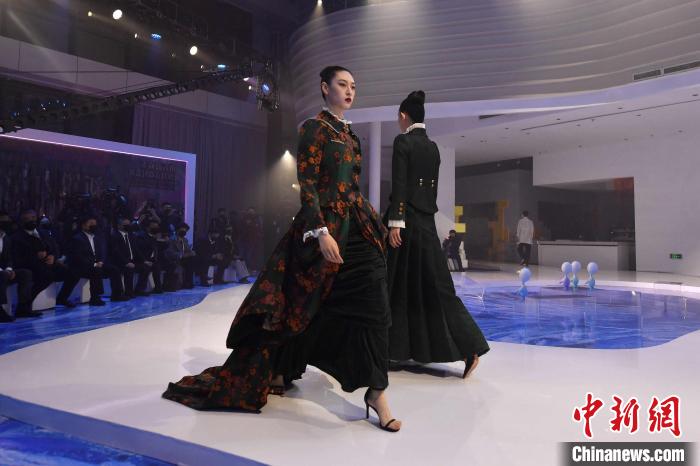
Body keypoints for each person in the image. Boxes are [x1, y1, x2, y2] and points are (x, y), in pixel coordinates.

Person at [163, 66, 401, 432]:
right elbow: (308, 184)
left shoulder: (351, 134)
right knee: (298, 303)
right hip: (323, 228)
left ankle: (376, 391)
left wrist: (373, 223)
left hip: (356, 225)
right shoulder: (315, 128)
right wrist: (321, 232)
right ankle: (278, 366)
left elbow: (352, 187)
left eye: (353, 85)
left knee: (374, 301)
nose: (350, 90)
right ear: (325, 88)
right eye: (342, 84)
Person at [385, 90, 489, 378]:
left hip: (406, 224)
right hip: (426, 223)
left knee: (394, 284)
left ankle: (393, 349)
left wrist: (396, 222)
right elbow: (429, 191)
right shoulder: (433, 148)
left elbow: (400, 184)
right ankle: (469, 348)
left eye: (398, 117)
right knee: (438, 287)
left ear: (403, 116)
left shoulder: (403, 141)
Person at [11, 209, 80, 308]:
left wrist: (53, 256)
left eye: (33, 218)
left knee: (73, 273)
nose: (31, 220)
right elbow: (17, 258)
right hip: (32, 266)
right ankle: (25, 306)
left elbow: (55, 248)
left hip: (49, 263)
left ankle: (62, 298)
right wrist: (36, 256)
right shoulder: (17, 237)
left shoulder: (43, 233)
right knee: (46, 276)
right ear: (22, 221)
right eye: (27, 219)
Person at [66, 216, 124, 305]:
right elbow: (79, 257)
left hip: (97, 263)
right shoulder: (77, 238)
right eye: (91, 223)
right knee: (96, 271)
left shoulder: (97, 238)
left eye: (95, 224)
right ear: (83, 225)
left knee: (114, 269)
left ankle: (117, 295)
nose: (94, 226)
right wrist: (94, 264)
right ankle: (95, 298)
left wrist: (101, 261)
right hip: (83, 266)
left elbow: (102, 252)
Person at [0, 211, 35, 321]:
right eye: (3, 221)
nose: (6, 223)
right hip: (1, 273)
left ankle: (22, 308)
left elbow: (9, 258)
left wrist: (9, 269)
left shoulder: (6, 238)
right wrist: (3, 271)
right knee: (2, 276)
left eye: (7, 221)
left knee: (26, 273)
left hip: (4, 271)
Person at [109, 217, 152, 298]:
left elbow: (136, 250)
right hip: (120, 262)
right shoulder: (115, 236)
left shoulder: (131, 235)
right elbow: (116, 252)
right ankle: (128, 292)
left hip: (132, 260)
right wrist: (126, 262)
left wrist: (144, 260)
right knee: (128, 269)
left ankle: (139, 290)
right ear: (119, 226)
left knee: (145, 267)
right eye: (126, 225)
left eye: (129, 224)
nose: (128, 226)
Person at [135, 219, 164, 294]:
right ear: (148, 228)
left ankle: (158, 288)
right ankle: (139, 290)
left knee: (157, 267)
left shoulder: (155, 237)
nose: (156, 228)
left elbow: (163, 246)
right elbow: (138, 251)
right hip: (142, 260)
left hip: (152, 260)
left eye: (157, 227)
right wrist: (145, 261)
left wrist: (158, 239)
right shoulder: (141, 237)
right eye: (154, 227)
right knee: (145, 268)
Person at [171, 223, 197, 289]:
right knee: (190, 261)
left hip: (184, 259)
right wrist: (183, 255)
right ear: (178, 230)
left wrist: (191, 252)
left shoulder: (185, 240)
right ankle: (187, 283)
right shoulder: (172, 239)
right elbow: (171, 252)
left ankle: (188, 282)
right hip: (175, 259)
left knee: (193, 259)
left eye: (185, 230)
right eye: (183, 229)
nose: (184, 231)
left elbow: (188, 250)